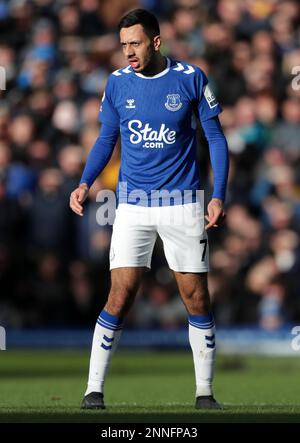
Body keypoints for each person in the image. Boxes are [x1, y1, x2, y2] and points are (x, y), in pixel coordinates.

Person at [70, 8, 229, 410]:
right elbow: (106, 139)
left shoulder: (191, 78)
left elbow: (216, 139)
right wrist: (85, 182)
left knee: (196, 297)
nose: (128, 52)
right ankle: (93, 390)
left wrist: (219, 194)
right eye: (123, 45)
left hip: (184, 204)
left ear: (156, 42)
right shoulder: (117, 84)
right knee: (120, 294)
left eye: (135, 43)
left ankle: (204, 393)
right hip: (134, 207)